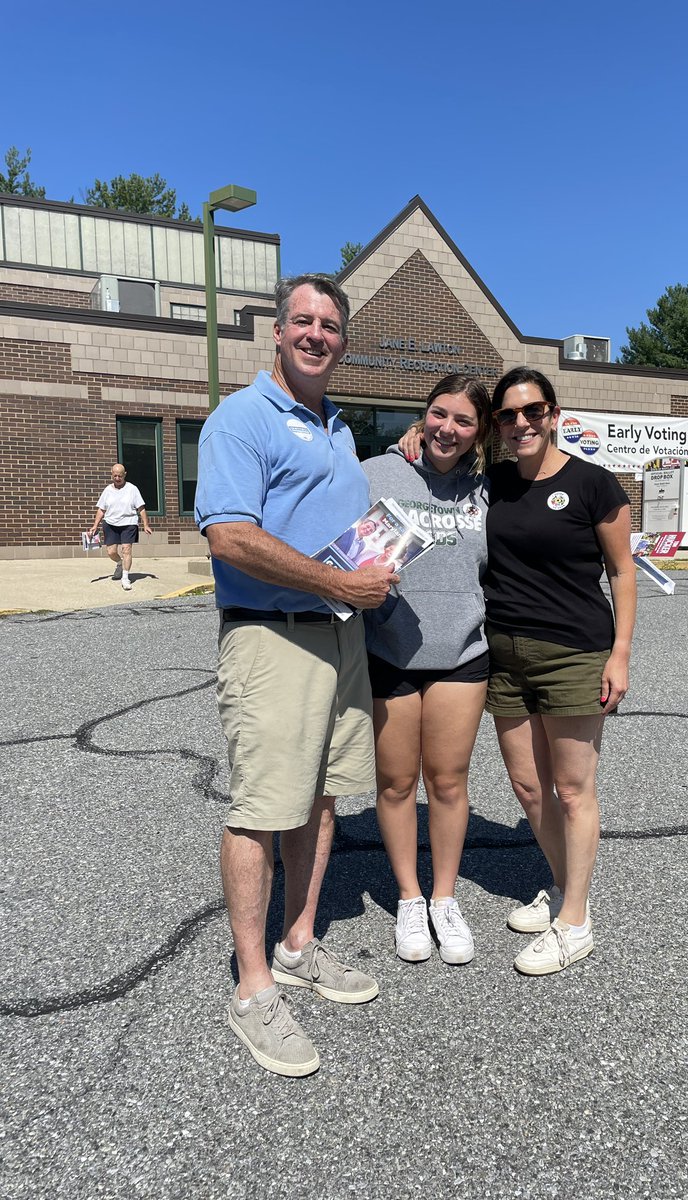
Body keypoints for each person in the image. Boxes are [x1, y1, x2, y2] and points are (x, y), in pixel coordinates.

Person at [194, 273, 395, 1078]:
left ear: (343, 341)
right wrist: (338, 581)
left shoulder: (337, 426)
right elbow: (230, 537)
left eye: (331, 325)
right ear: (277, 332)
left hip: (339, 637)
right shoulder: (242, 418)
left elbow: (333, 522)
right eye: (304, 321)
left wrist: (370, 572)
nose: (317, 335)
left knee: (321, 797)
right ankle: (252, 989)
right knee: (260, 810)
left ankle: (299, 943)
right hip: (272, 638)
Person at [483, 367, 636, 976]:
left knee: (573, 790)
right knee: (528, 786)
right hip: (504, 654)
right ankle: (562, 884)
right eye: (508, 415)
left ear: (554, 414)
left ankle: (575, 922)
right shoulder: (492, 482)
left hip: (575, 652)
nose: (521, 423)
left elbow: (622, 572)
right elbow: (436, 462)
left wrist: (620, 653)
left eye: (533, 411)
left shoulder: (593, 483)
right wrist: (412, 437)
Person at [364, 374, 491, 966]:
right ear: (424, 414)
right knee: (395, 783)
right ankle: (409, 898)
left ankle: (444, 898)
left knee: (447, 782)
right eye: (439, 414)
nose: (447, 428)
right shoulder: (377, 473)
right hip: (388, 649)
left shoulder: (487, 489)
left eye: (464, 421)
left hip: (461, 653)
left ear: (479, 432)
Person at [88, 464, 152, 591]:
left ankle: (125, 578)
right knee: (111, 552)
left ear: (125, 475)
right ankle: (119, 563)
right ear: (111, 474)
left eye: (120, 476)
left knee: (126, 550)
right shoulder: (108, 490)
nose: (117, 478)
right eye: (115, 476)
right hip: (110, 523)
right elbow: (101, 509)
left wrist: (146, 524)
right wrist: (95, 525)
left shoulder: (132, 489)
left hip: (129, 523)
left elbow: (141, 508)